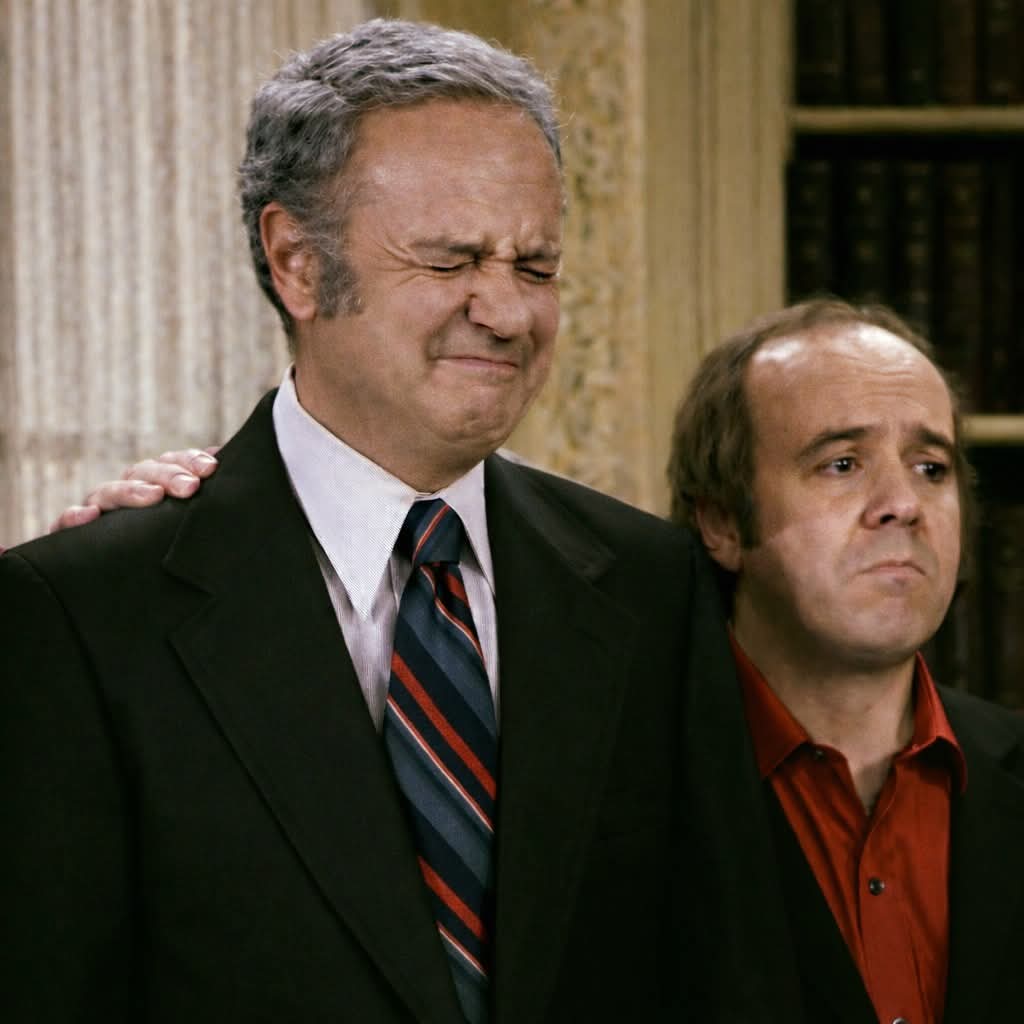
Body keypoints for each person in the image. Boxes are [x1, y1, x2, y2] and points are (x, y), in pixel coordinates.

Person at [0, 19, 728, 1023]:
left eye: (535, 266)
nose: (507, 312)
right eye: (450, 261)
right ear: (297, 263)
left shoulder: (652, 586)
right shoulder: (80, 614)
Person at [667, 297, 1024, 1022]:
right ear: (722, 522)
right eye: (842, 464)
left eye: (931, 468)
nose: (903, 503)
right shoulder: (622, 790)